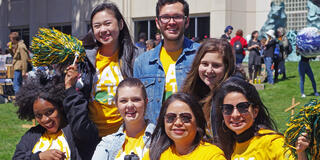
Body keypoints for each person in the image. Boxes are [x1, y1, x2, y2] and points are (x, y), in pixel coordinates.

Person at [75, 2, 142, 137]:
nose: (103, 30)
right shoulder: (84, 57)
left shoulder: (136, 57)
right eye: (97, 26)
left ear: (121, 24)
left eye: (107, 23)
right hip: (92, 134)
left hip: (126, 133)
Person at [134, 0, 200, 124]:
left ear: (187, 21)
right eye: (165, 17)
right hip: (155, 136)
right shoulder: (142, 62)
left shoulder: (200, 55)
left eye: (177, 17)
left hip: (193, 135)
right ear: (158, 23)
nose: (171, 22)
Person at [212, 77, 310, 160]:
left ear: (255, 111)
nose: (235, 114)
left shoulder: (272, 142)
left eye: (242, 107)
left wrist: (301, 153)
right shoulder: (228, 147)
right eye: (228, 108)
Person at [13, 71, 99, 160]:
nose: (45, 119)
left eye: (49, 112)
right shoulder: (32, 135)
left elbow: (79, 120)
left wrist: (69, 88)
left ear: (60, 107)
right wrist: (39, 157)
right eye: (39, 115)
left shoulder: (77, 133)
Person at [144, 93, 226, 160]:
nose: (178, 123)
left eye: (185, 117)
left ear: (197, 121)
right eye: (171, 117)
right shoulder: (154, 155)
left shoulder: (212, 156)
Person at [92, 78, 155, 159]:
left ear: (146, 102)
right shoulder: (107, 144)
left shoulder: (161, 139)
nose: (130, 105)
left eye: (136, 100)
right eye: (123, 101)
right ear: (117, 104)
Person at [181, 38, 235, 131]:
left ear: (227, 67)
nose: (209, 70)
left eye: (216, 65)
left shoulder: (231, 96)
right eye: (205, 64)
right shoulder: (194, 91)